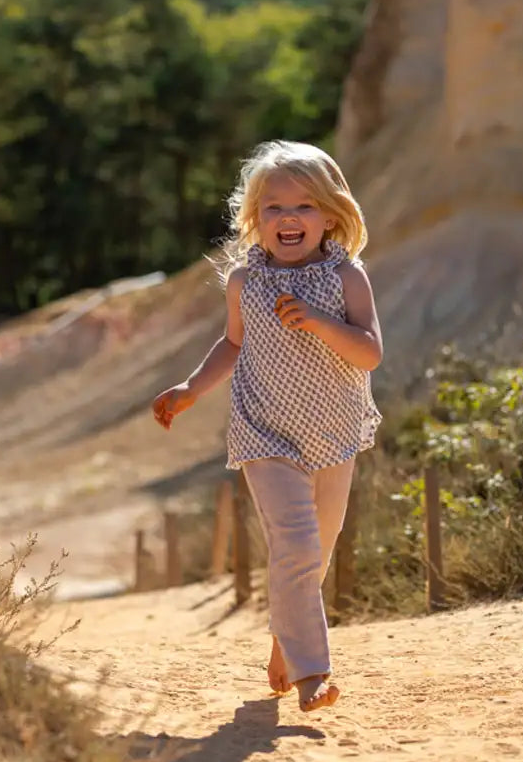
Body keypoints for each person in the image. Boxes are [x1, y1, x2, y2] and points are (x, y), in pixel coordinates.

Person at [152, 140, 383, 713]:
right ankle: (314, 677)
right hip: (265, 436)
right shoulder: (244, 284)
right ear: (256, 218)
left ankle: (286, 640)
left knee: (314, 554)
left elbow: (370, 353)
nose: (288, 219)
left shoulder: (347, 278)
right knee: (298, 546)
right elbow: (234, 343)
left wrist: (319, 321)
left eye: (304, 206)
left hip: (334, 433)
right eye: (274, 208)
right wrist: (191, 390)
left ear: (330, 216)